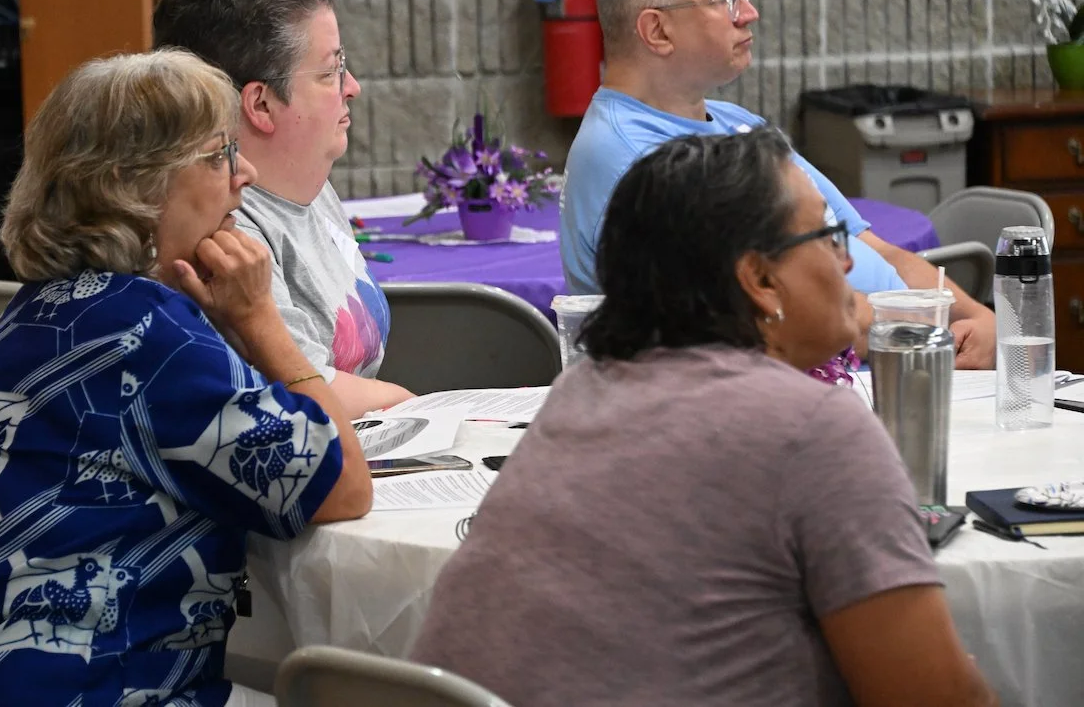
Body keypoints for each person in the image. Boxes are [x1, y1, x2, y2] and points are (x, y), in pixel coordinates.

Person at [413, 129, 995, 707]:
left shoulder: (582, 394)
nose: (847, 260)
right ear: (761, 280)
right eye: (828, 235)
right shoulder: (812, 428)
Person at [0, 50, 372, 707]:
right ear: (135, 185)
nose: (244, 173)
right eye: (220, 153)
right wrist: (259, 319)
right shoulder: (145, 335)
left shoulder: (43, 312)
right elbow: (343, 486)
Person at [559, 0, 996, 368]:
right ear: (658, 31)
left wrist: (981, 319)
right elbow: (784, 315)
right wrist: (935, 334)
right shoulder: (636, 163)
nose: (749, 13)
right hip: (837, 381)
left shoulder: (736, 123)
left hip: (898, 355)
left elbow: (875, 249)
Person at [153, 0, 414, 417]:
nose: (351, 85)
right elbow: (305, 395)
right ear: (261, 106)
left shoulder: (310, 182)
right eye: (331, 69)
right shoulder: (222, 230)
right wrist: (422, 407)